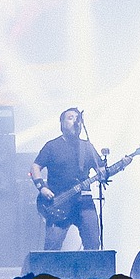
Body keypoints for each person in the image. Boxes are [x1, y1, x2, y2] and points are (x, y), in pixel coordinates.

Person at [31, 107, 104, 251]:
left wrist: (109, 170)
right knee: (53, 245)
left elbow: (100, 169)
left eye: (78, 119)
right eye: (70, 118)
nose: (75, 121)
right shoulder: (52, 146)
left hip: (84, 202)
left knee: (93, 243)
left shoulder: (87, 147)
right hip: (58, 202)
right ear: (62, 123)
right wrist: (42, 187)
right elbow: (35, 167)